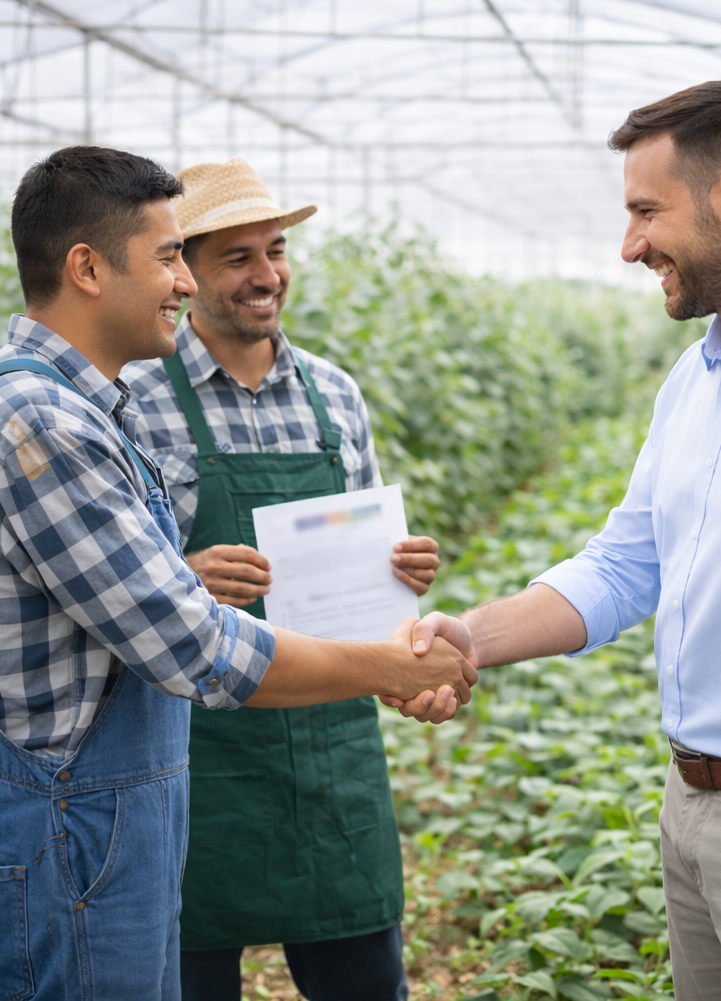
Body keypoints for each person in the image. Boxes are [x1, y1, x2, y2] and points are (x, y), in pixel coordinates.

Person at [0, 145, 475, 1001]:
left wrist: (395, 593)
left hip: (253, 755)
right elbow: (194, 644)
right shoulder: (51, 418)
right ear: (88, 269)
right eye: (174, 256)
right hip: (113, 792)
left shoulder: (315, 394)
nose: (184, 281)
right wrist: (397, 666)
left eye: (275, 251)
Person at [399, 79, 721, 1001]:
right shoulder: (698, 378)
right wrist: (465, 639)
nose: (629, 244)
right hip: (691, 809)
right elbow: (622, 566)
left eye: (647, 211)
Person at [125, 157, 445, 1001]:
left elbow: (371, 582)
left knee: (366, 977)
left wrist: (402, 574)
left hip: (334, 748)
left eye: (276, 250)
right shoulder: (136, 401)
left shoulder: (334, 395)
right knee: (191, 976)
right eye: (239, 258)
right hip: (200, 753)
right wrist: (183, 573)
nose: (269, 275)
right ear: (185, 273)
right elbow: (116, 585)